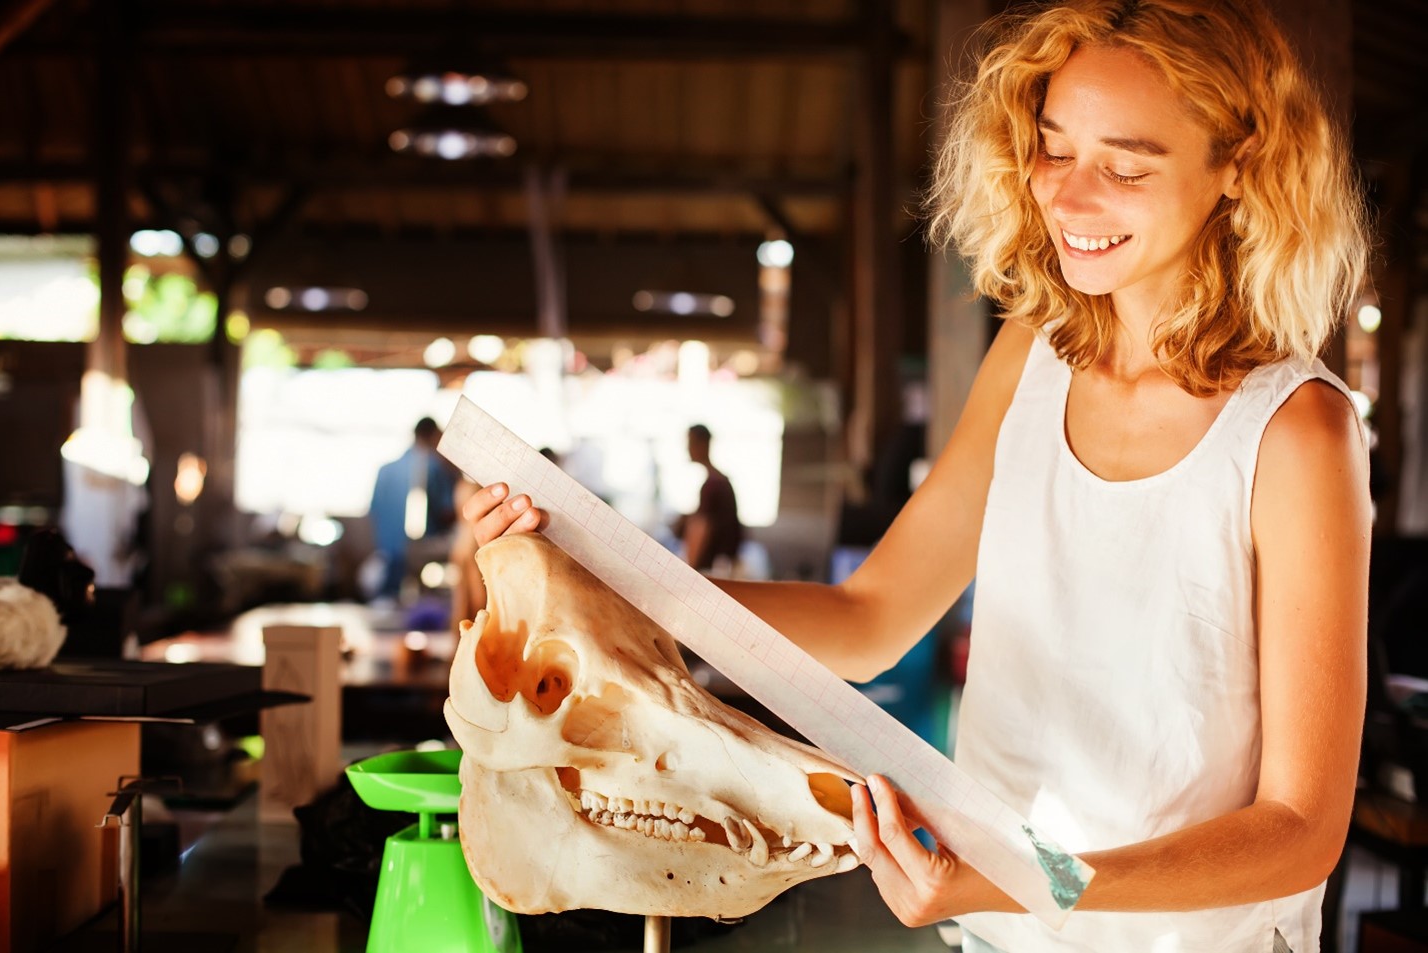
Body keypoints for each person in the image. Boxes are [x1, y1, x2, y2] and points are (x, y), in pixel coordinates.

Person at [462, 0, 1371, 949]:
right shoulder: (1031, 356)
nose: (1067, 197)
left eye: (1127, 167)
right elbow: (870, 620)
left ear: (1239, 168)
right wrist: (609, 581)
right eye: (1054, 149)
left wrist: (1030, 882)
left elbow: (1300, 834)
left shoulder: (1295, 430)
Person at [369, 417, 456, 602]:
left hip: (386, 559)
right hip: (420, 558)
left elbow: (373, 513)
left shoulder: (385, 470)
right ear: (434, 436)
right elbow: (448, 512)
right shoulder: (435, 468)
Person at [672, 424, 744, 574]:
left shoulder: (713, 485)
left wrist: (689, 571)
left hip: (711, 572)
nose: (688, 448)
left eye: (691, 443)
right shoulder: (720, 481)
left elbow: (701, 528)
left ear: (703, 444)